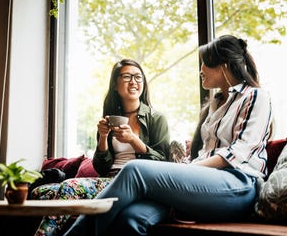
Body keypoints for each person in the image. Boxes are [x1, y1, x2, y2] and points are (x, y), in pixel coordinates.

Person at [63, 35, 273, 236]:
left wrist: (185, 171)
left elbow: (239, 153)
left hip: (239, 185)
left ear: (223, 65)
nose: (200, 70)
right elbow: (205, 153)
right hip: (207, 185)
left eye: (205, 63)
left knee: (135, 169)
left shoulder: (255, 96)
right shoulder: (215, 105)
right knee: (130, 218)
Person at [32, 58, 170, 236]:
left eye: (138, 77)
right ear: (115, 84)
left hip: (131, 183)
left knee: (69, 187)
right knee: (40, 192)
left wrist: (134, 140)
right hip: (107, 179)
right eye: (127, 76)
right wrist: (103, 138)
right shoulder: (111, 118)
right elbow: (101, 167)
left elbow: (164, 161)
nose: (134, 81)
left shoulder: (156, 118)